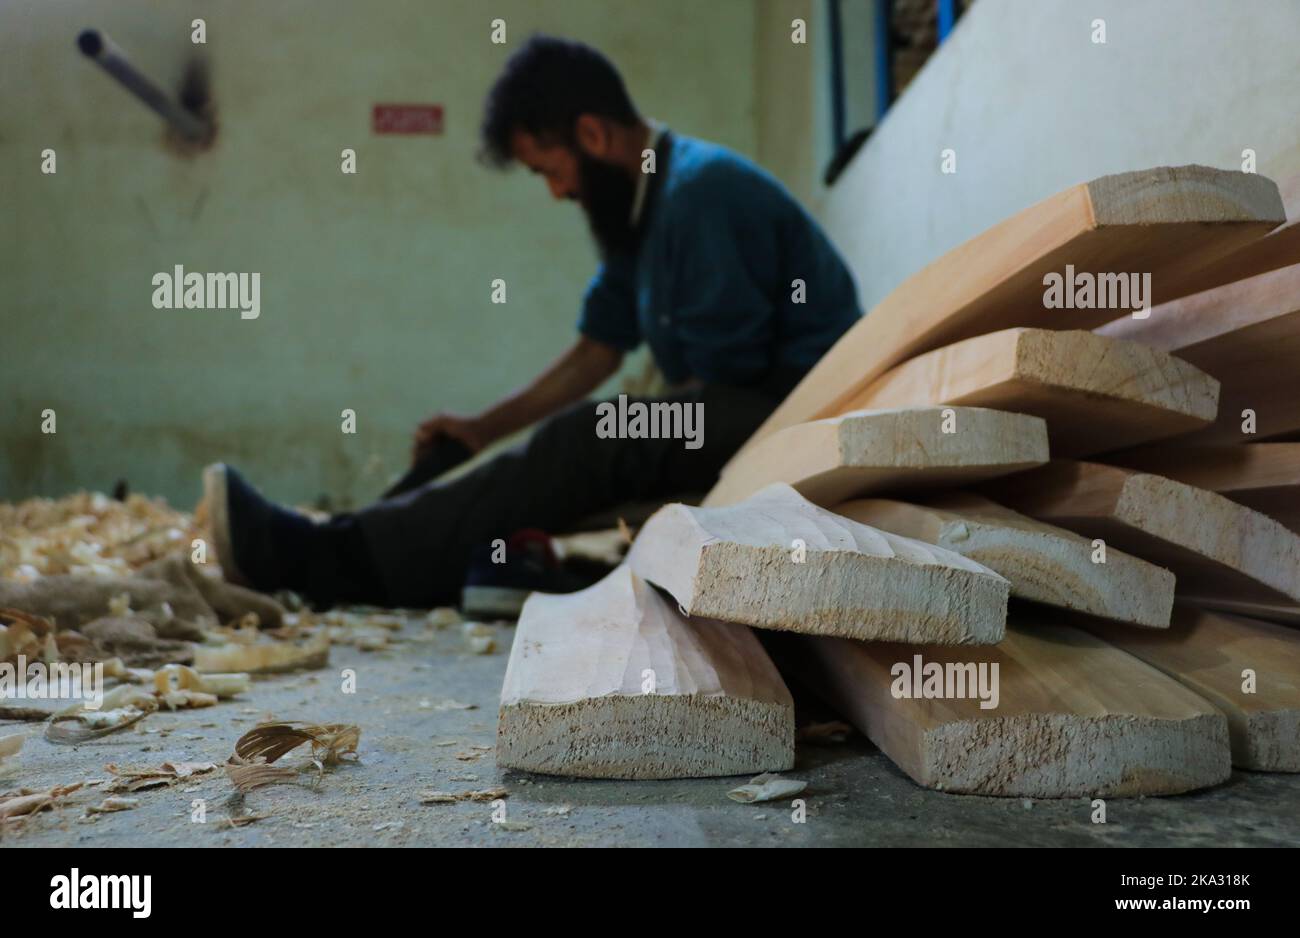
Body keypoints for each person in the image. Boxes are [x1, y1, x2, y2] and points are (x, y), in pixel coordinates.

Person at [203, 34, 862, 610]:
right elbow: (597, 351)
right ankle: (375, 550)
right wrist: (479, 431)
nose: (555, 193)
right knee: (587, 437)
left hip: (793, 415)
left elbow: (725, 374)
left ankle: (329, 560)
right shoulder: (640, 210)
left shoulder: (700, 192)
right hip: (741, 403)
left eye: (551, 171)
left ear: (593, 135)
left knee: (596, 435)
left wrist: (609, 449)